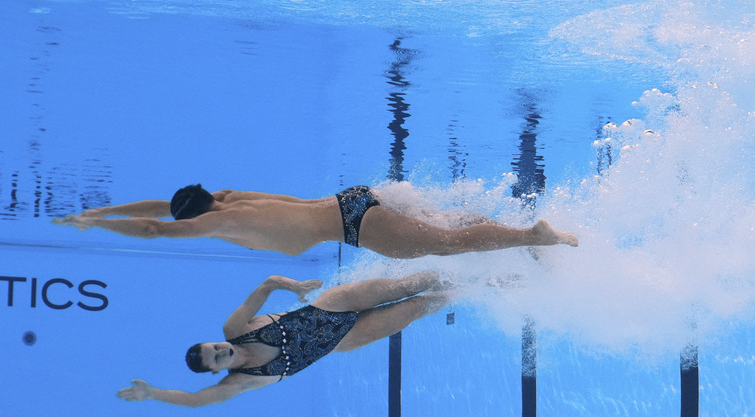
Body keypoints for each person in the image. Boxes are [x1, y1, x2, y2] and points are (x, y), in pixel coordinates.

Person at [117, 271, 450, 407]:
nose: (222, 350)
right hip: (344, 340)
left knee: (407, 286)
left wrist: (295, 287)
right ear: (217, 370)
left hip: (334, 304)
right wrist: (152, 393)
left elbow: (267, 283)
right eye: (217, 358)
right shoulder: (238, 383)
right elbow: (195, 401)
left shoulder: (235, 327)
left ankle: (457, 268)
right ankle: (477, 286)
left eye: (215, 346)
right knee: (419, 306)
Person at [53, 183, 577, 258]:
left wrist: (99, 227)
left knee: (442, 244)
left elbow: (154, 228)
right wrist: (101, 208)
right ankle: (524, 237)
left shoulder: (214, 224)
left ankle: (532, 236)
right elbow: (160, 212)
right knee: (445, 222)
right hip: (353, 197)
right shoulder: (228, 197)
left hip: (351, 228)